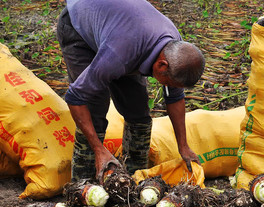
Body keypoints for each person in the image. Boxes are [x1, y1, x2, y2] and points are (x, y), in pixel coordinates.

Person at [56, 0, 205, 182]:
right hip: (78, 26)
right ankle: (82, 186)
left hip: (121, 30)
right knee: (94, 105)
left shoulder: (176, 49)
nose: (169, 87)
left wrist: (183, 146)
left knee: (138, 112)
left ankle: (134, 180)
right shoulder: (119, 53)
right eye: (169, 82)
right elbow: (75, 97)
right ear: (161, 64)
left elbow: (174, 97)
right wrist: (99, 149)